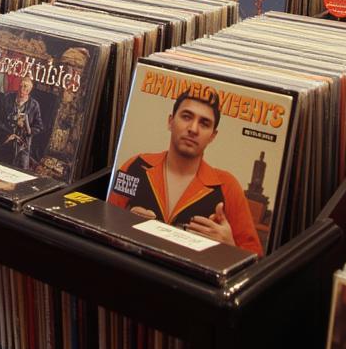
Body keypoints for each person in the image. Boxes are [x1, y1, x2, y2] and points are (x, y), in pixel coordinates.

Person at [109, 88, 262, 255]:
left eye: (204, 123)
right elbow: (104, 222)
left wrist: (229, 247)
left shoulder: (227, 186)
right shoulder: (135, 166)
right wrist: (125, 223)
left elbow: (256, 261)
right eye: (186, 116)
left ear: (212, 136)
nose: (193, 129)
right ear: (170, 121)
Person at [0, 76, 43, 171]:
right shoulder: (7, 97)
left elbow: (39, 127)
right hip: (4, 137)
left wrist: (28, 130)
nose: (22, 92)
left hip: (23, 143)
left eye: (25, 90)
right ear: (18, 87)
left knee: (21, 170)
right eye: (21, 88)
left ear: (29, 91)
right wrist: (8, 132)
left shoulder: (34, 105)